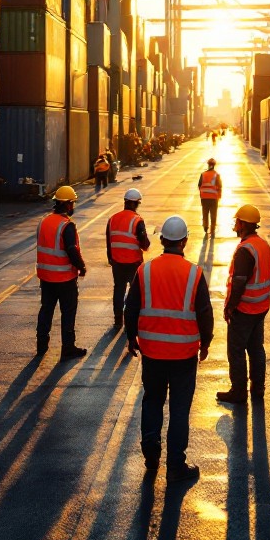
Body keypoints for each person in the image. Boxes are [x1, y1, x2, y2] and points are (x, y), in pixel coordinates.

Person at [125, 215, 213, 482]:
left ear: (162, 240)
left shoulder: (145, 270)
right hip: (184, 355)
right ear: (184, 241)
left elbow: (131, 307)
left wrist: (131, 338)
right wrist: (206, 342)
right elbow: (205, 313)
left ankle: (151, 454)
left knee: (152, 400)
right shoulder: (194, 273)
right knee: (179, 408)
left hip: (152, 353)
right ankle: (176, 466)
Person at [216, 205, 270, 405]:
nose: (235, 224)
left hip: (245, 309)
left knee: (236, 350)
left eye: (237, 221)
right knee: (256, 348)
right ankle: (258, 388)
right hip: (261, 307)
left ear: (243, 224)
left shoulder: (245, 250)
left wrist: (230, 306)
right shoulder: (262, 245)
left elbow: (239, 281)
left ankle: (238, 392)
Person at [36, 185, 88, 361]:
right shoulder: (67, 226)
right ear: (67, 205)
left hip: (46, 277)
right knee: (68, 312)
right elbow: (72, 250)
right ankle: (68, 347)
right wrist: (81, 266)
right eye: (72, 203)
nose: (73, 207)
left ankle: (41, 344)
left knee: (46, 310)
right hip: (64, 278)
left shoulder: (43, 222)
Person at [106, 187, 150, 330]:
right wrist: (146, 245)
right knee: (134, 291)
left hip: (117, 262)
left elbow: (109, 240)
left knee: (118, 289)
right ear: (135, 203)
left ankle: (118, 319)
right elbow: (144, 242)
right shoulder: (137, 220)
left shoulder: (112, 219)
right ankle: (131, 319)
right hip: (133, 262)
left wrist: (110, 258)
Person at [197, 157, 223, 236]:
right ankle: (213, 228)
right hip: (213, 198)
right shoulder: (217, 175)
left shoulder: (203, 174)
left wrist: (203, 192)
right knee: (213, 214)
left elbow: (199, 185)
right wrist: (219, 196)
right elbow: (220, 186)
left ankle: (205, 227)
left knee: (205, 213)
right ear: (214, 165)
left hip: (204, 198)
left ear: (208, 165)